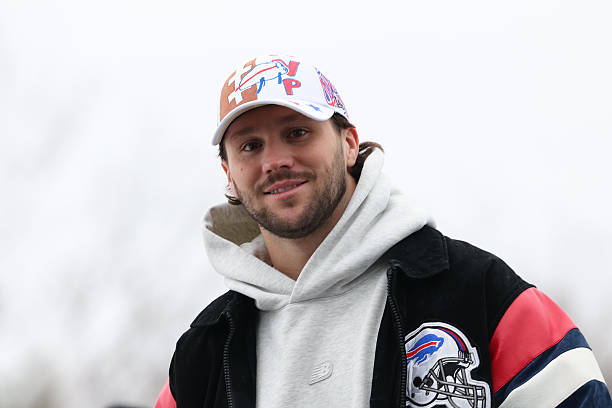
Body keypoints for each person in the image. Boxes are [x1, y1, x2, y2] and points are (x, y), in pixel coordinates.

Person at [154, 54, 611, 408]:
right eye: (250, 145)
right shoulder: (203, 353)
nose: (275, 161)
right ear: (229, 174)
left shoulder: (482, 294)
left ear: (349, 143)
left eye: (297, 133)